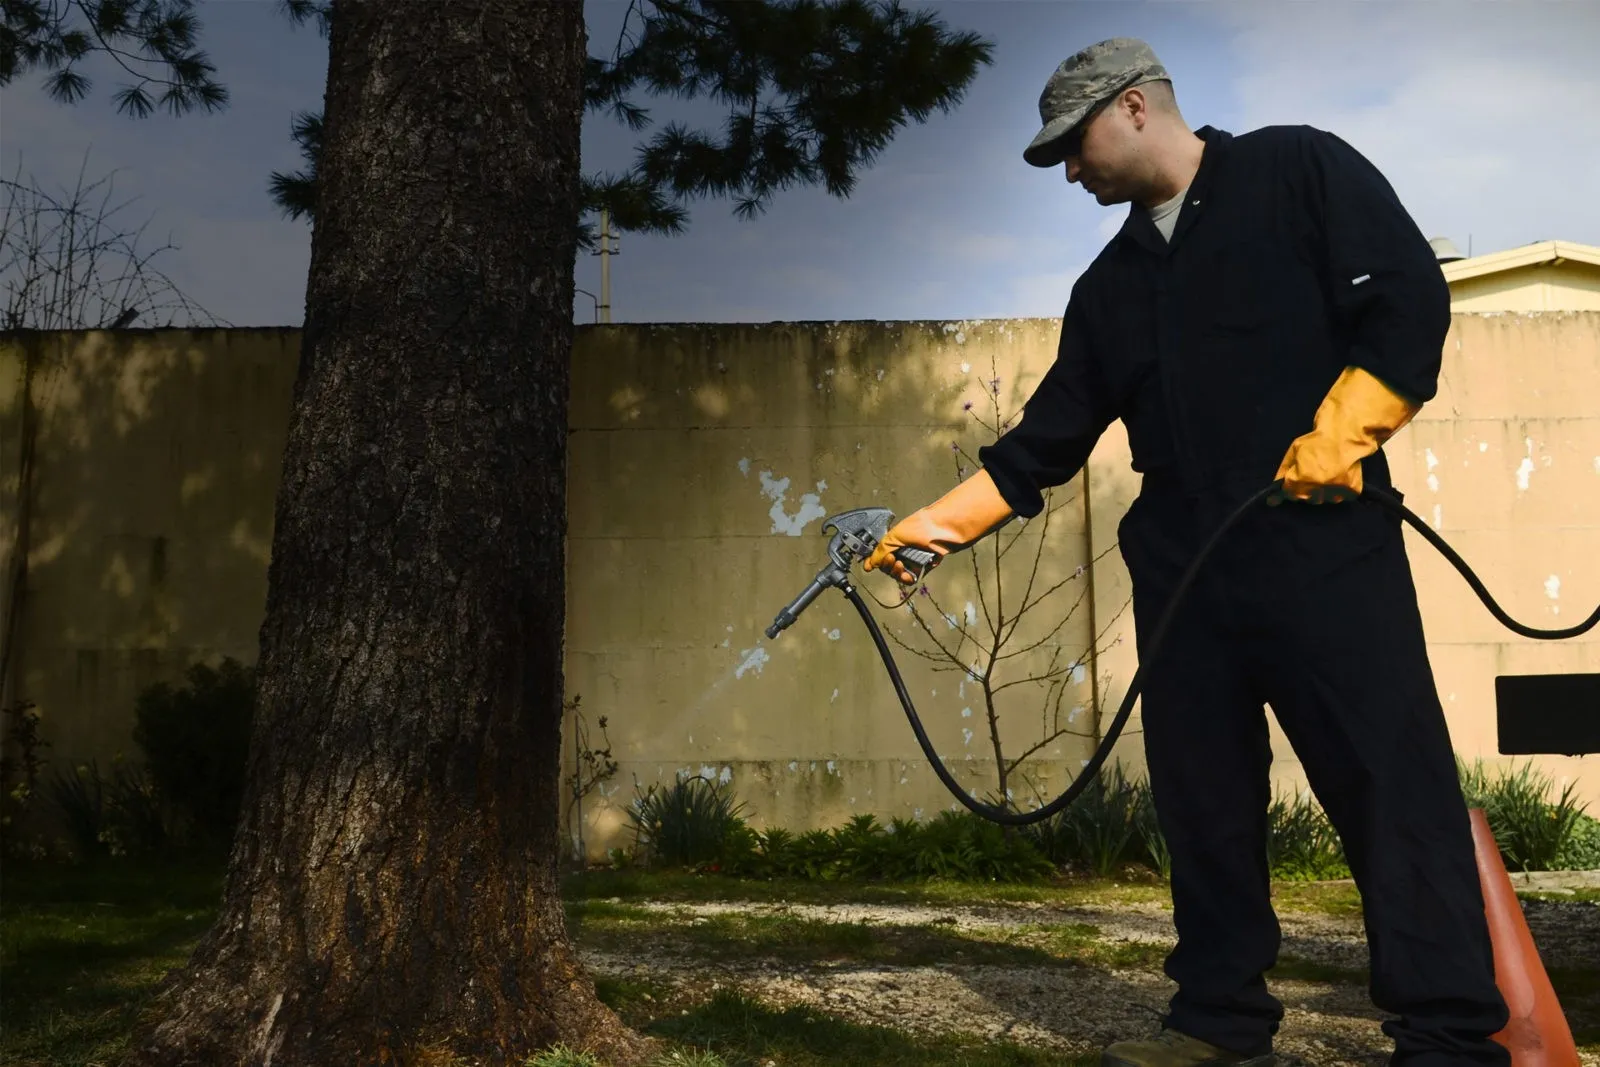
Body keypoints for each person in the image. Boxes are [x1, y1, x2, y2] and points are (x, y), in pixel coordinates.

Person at [864, 36, 1512, 1067]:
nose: (1068, 172)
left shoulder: (1296, 169)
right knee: (1202, 808)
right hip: (1182, 580)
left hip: (1326, 553)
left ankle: (1447, 1036)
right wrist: (925, 533)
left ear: (1131, 108)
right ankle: (1218, 1025)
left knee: (1393, 793)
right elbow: (1046, 441)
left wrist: (1347, 424)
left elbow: (1403, 297)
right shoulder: (1109, 285)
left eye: (1070, 148)